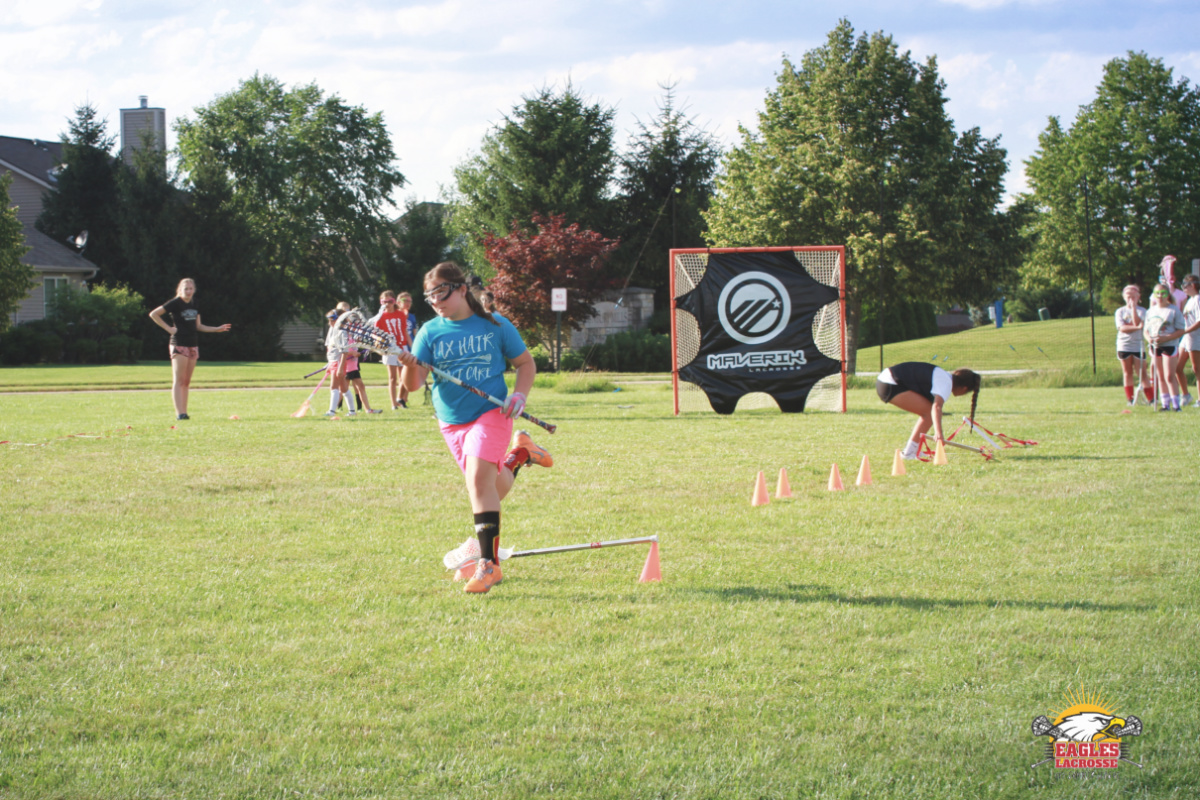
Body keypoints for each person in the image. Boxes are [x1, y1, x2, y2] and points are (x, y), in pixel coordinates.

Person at [398, 262, 551, 594]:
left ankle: (488, 565)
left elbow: (525, 363)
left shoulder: (495, 325)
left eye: (441, 292)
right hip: (452, 423)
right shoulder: (429, 332)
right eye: (429, 296)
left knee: (478, 480)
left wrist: (519, 395)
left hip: (492, 412)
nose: (435, 301)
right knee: (491, 485)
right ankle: (521, 454)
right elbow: (413, 386)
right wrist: (409, 366)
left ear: (462, 289)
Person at [148, 278, 232, 420]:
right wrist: (169, 329)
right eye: (185, 289)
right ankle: (179, 413)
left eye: (190, 288)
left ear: (194, 290)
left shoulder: (195, 303)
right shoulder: (175, 303)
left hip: (193, 344)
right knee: (178, 380)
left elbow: (198, 326)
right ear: (180, 290)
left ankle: (185, 412)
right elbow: (154, 314)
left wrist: (216, 329)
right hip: (179, 343)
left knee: (186, 381)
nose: (188, 291)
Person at [876, 362, 981, 460]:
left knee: (928, 412)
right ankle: (909, 453)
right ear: (964, 388)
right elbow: (937, 407)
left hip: (887, 380)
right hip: (890, 383)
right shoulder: (946, 383)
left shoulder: (945, 377)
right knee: (928, 413)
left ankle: (911, 451)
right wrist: (939, 434)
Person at [1144, 284, 1187, 411]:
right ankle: (1165, 404)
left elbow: (1181, 330)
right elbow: (1146, 330)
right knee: (1160, 376)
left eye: (1163, 293)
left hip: (1169, 345)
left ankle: (1176, 405)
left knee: (1169, 375)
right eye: (1157, 293)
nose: (1160, 296)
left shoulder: (1173, 310)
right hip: (1156, 346)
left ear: (1167, 294)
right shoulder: (1150, 311)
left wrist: (1166, 338)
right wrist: (1149, 339)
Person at [1114, 284, 1154, 406]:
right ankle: (1130, 399)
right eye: (1128, 296)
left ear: (1138, 296)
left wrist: (1133, 309)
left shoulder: (1143, 311)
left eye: (1133, 296)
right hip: (1124, 345)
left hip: (1138, 345)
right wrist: (1136, 327)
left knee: (1142, 372)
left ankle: (1151, 399)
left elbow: (1139, 323)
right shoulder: (1120, 311)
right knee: (1127, 372)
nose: (1131, 298)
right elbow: (1122, 328)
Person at [368, 291, 410, 409]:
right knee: (392, 377)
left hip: (402, 347)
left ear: (394, 302)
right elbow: (375, 334)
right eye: (384, 302)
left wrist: (412, 346)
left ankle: (400, 399)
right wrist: (379, 344)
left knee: (404, 376)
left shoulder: (400, 314)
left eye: (390, 301)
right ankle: (393, 404)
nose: (387, 304)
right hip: (389, 348)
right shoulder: (380, 317)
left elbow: (404, 331)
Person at [1173, 274, 1200, 408]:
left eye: (1186, 284)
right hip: (1187, 337)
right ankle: (1186, 395)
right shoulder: (1190, 300)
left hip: (1196, 337)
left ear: (1194, 285)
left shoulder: (1198, 299)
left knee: (1197, 369)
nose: (1183, 287)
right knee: (1177, 368)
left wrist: (1186, 331)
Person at [323, 309, 353, 416]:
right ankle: (352, 411)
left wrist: (340, 368)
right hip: (333, 362)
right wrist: (329, 364)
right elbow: (329, 349)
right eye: (329, 320)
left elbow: (345, 351)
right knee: (344, 388)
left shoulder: (342, 331)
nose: (330, 323)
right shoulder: (332, 330)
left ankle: (331, 411)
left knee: (333, 387)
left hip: (338, 362)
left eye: (332, 320)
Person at [397, 292, 419, 407]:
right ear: (399, 302)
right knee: (402, 376)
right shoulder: (398, 315)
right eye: (406, 301)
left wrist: (416, 346)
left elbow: (413, 333)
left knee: (408, 375)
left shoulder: (412, 316)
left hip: (411, 347)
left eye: (410, 301)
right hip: (401, 348)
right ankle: (399, 399)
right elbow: (403, 332)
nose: (408, 303)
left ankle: (404, 400)